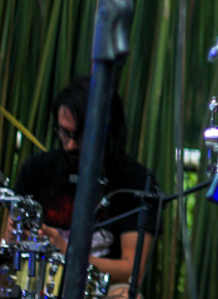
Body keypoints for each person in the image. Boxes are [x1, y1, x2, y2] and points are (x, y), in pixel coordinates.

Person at [3, 78, 157, 298]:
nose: (70, 145)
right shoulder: (37, 169)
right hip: (34, 279)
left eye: (81, 136)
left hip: (97, 287)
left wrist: (68, 253)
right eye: (64, 133)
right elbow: (8, 242)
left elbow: (133, 270)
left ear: (107, 131)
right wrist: (13, 238)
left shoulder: (136, 181)